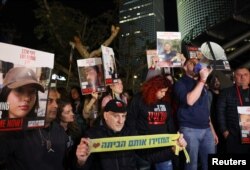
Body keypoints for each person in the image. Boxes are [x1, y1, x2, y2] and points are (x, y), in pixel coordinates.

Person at [75, 99, 187, 170]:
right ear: (105, 116)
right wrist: (81, 161)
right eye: (116, 116)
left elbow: (148, 157)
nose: (120, 121)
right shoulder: (92, 135)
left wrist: (173, 149)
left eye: (123, 116)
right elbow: (80, 166)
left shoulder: (131, 134)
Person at [0, 87, 68, 170]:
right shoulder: (18, 131)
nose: (56, 105)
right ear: (36, 103)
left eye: (56, 101)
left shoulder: (60, 131)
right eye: (49, 101)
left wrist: (80, 162)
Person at [174, 58, 218, 170]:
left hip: (206, 129)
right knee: (191, 165)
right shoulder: (180, 83)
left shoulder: (201, 83)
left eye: (197, 63)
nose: (196, 64)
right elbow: (190, 100)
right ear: (184, 67)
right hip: (189, 130)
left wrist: (212, 130)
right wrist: (202, 80)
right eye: (192, 63)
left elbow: (205, 110)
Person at [126, 74, 178, 170]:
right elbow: (130, 121)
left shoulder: (165, 101)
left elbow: (170, 122)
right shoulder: (138, 99)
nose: (164, 94)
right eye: (162, 91)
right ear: (154, 88)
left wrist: (174, 138)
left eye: (165, 92)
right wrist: (135, 140)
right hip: (143, 151)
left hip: (164, 150)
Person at [217, 66, 250, 153]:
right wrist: (224, 131)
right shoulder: (226, 92)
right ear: (234, 77)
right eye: (239, 75)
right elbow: (220, 112)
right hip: (234, 134)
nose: (242, 77)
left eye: (245, 74)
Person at [57, 98, 82, 170]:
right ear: (59, 115)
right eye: (67, 112)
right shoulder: (54, 133)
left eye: (71, 110)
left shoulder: (75, 128)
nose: (72, 114)